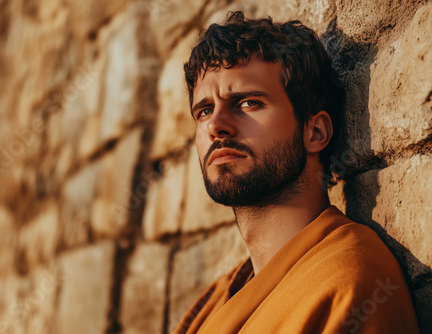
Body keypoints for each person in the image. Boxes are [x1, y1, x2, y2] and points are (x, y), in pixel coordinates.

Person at [173, 11, 419, 333]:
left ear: (314, 132)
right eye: (204, 110)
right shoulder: (215, 303)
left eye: (248, 103)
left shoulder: (350, 284)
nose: (215, 126)